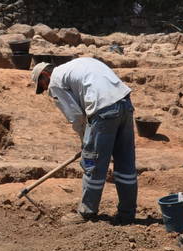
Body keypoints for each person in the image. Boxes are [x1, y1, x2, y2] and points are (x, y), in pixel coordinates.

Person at [31, 58, 137, 224]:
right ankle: (127, 214)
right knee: (125, 163)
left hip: (103, 110)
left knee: (92, 164)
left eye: (43, 86)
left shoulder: (55, 81)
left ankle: (86, 212)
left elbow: (76, 116)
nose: (46, 90)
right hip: (125, 103)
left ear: (45, 75)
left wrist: (85, 143)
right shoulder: (78, 64)